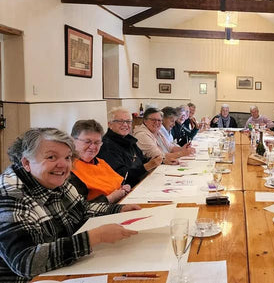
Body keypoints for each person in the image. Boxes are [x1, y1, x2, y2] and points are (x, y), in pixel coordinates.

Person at [0, 128, 140, 282]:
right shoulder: (9, 196)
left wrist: (119, 209)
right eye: (51, 157)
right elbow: (25, 261)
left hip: (64, 269)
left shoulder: (55, 179)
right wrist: (95, 237)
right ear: (26, 162)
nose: (63, 164)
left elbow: (82, 209)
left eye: (67, 157)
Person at [97, 107, 163, 187]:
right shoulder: (107, 145)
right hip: (125, 190)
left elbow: (141, 159)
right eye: (120, 121)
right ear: (110, 124)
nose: (125, 124)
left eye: (128, 121)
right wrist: (147, 166)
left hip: (141, 183)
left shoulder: (128, 140)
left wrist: (155, 160)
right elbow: (121, 175)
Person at [70, 119, 131, 203]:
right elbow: (79, 209)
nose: (92, 147)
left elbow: (116, 184)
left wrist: (124, 188)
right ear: (72, 141)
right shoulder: (68, 169)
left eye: (97, 142)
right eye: (87, 142)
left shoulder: (100, 162)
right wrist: (111, 198)